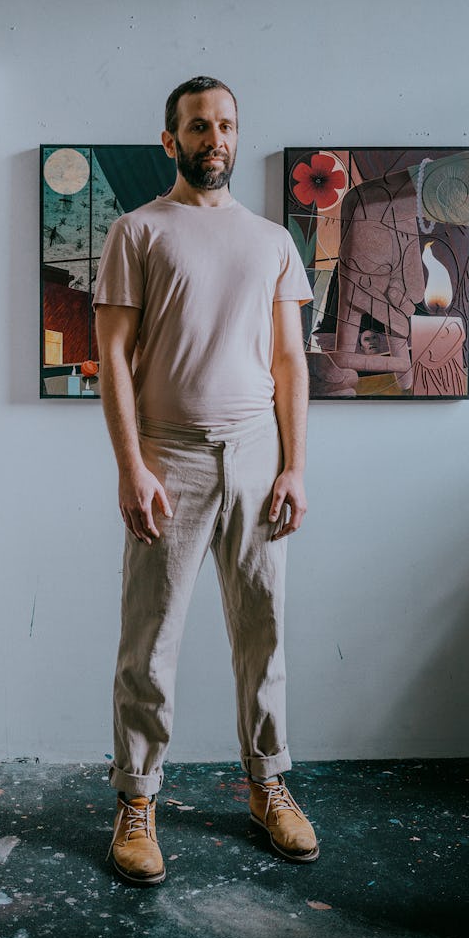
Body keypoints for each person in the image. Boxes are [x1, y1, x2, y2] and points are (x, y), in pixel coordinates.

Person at [94, 76, 318, 886]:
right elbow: (112, 358)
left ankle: (268, 784)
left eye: (224, 125)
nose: (213, 137)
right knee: (149, 643)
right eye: (197, 126)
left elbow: (290, 360)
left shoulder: (271, 241)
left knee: (263, 631)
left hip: (258, 456)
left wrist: (295, 464)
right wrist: (131, 467)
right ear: (171, 140)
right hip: (170, 457)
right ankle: (138, 799)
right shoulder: (138, 231)